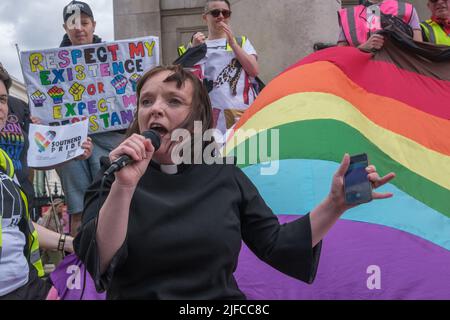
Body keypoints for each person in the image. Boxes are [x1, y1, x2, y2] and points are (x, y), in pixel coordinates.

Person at [74, 65, 396, 299]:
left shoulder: (222, 174)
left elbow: (277, 244)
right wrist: (124, 187)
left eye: (173, 101)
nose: (156, 108)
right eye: (147, 101)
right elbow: (100, 261)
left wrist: (336, 204)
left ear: (196, 119)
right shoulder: (113, 174)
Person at [0, 67, 75, 300]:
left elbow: (20, 225)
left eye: (2, 100)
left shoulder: (6, 163)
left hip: (29, 287)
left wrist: (73, 244)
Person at [56, 1, 125, 237]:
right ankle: (81, 263)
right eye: (73, 23)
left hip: (107, 140)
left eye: (84, 23)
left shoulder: (114, 57)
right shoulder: (51, 63)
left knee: (110, 200)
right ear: (65, 27)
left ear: (93, 25)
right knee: (78, 209)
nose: (79, 29)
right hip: (71, 142)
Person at [178, 0, 260, 137]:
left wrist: (233, 44)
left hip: (240, 112)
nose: (221, 16)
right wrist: (194, 49)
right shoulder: (193, 46)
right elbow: (182, 79)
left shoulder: (241, 42)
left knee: (241, 154)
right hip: (208, 114)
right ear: (205, 17)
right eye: (215, 13)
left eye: (225, 13)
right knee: (211, 155)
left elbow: (254, 70)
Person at [337, 0, 423, 51]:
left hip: (397, 73)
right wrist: (362, 48)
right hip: (362, 75)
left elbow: (418, 49)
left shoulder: (407, 9)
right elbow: (341, 54)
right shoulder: (349, 15)